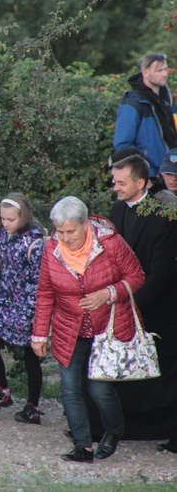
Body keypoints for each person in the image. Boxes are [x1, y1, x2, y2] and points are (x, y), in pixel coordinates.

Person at [31, 197, 145, 463]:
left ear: (85, 225)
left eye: (71, 231)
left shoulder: (111, 243)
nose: (65, 238)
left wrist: (107, 293)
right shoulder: (51, 249)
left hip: (106, 326)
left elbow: (137, 276)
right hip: (68, 327)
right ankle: (83, 447)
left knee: (99, 390)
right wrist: (39, 334)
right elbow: (45, 292)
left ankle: (114, 429)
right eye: (60, 232)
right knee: (69, 388)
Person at [108, 153, 177, 453]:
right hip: (127, 300)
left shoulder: (165, 212)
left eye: (121, 183)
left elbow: (162, 269)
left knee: (164, 368)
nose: (116, 188)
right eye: (114, 181)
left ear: (141, 182)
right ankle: (125, 424)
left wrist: (133, 303)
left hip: (159, 305)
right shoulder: (118, 209)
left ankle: (166, 427)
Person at [0, 194, 45, 424]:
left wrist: (28, 312)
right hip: (6, 302)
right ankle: (2, 390)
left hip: (28, 308)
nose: (5, 223)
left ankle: (33, 406)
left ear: (22, 216)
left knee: (30, 356)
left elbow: (38, 283)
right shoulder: (2, 235)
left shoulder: (35, 243)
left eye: (11, 219)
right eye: (2, 218)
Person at [113, 53, 177, 176]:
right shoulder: (133, 103)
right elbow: (122, 144)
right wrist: (147, 174)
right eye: (159, 70)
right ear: (145, 72)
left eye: (165, 69)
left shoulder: (166, 101)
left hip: (171, 175)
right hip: (152, 178)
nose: (164, 74)